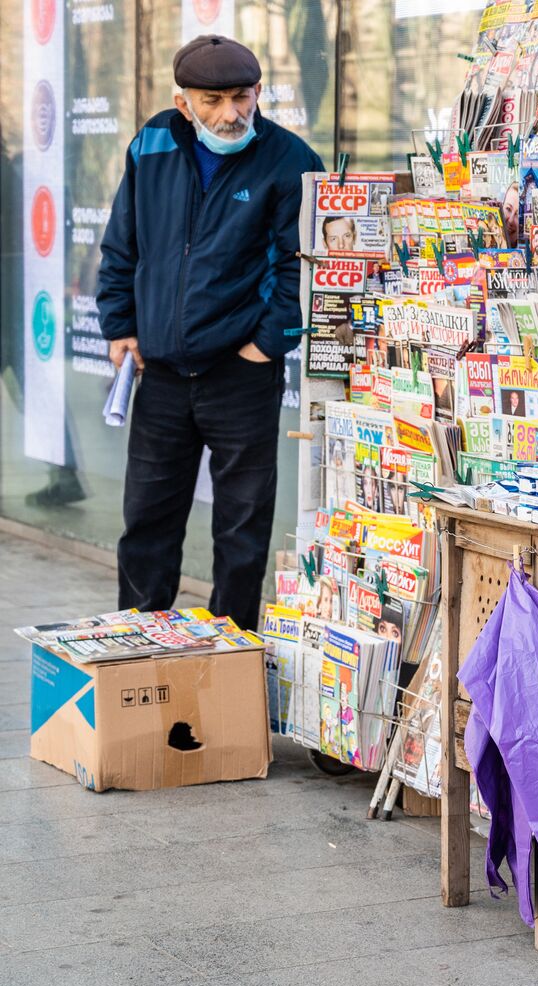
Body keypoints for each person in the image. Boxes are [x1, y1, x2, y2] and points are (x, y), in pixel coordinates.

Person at [98, 35, 324, 631]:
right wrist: (120, 325)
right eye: (214, 99)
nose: (231, 112)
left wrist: (264, 347)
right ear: (183, 102)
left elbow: (299, 266)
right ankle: (140, 651)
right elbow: (125, 241)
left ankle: (232, 663)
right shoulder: (151, 144)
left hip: (240, 376)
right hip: (163, 375)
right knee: (147, 525)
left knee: (242, 533)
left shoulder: (289, 160)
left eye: (243, 97)